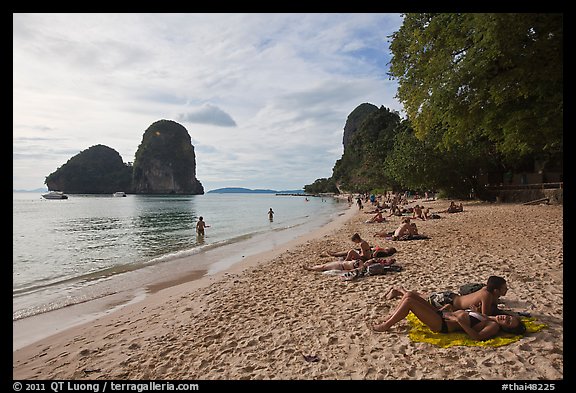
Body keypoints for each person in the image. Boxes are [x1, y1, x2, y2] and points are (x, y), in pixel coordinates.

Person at [370, 290, 526, 340]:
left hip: (442, 324)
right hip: (444, 314)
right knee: (410, 294)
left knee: (409, 303)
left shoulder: (492, 326)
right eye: (509, 317)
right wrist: (451, 308)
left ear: (506, 328)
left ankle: (386, 326)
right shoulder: (486, 316)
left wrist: (461, 321)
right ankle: (390, 318)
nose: (505, 318)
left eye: (508, 322)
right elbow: (466, 315)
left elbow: (477, 337)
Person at [385, 276, 509, 316]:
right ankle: (400, 290)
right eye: (504, 288)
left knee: (423, 295)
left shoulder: (487, 291)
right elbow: (485, 316)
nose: (507, 290)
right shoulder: (486, 295)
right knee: (420, 298)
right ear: (496, 291)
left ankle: (399, 290)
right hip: (447, 300)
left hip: (451, 296)